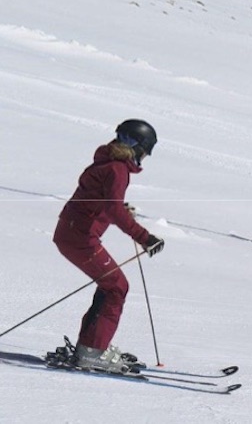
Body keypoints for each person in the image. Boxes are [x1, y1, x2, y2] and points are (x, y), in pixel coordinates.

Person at [52, 119, 165, 372]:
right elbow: (112, 209)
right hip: (80, 237)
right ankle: (92, 352)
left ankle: (91, 347)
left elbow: (102, 201)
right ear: (139, 148)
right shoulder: (117, 169)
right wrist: (145, 238)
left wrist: (118, 208)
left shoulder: (108, 162)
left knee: (111, 285)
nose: (144, 157)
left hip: (72, 232)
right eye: (146, 152)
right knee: (116, 287)